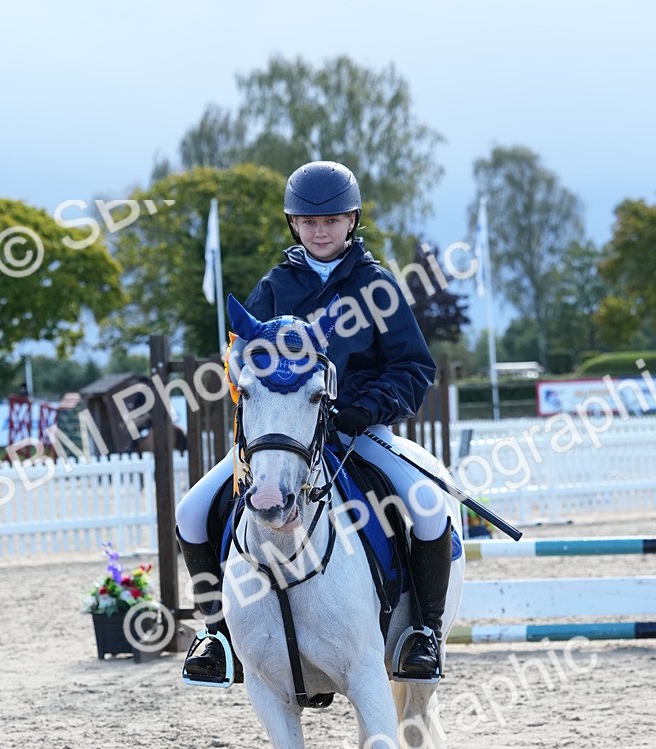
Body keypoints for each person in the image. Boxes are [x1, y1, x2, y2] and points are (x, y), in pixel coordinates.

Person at [176, 160, 453, 686]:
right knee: (193, 511)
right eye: (309, 221)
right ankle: (216, 635)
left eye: (331, 221)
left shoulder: (378, 287)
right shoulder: (275, 287)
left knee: (428, 507)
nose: (320, 230)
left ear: (352, 222)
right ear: (293, 224)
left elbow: (413, 367)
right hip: (282, 439)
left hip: (355, 432)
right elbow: (241, 361)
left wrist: (364, 407)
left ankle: (424, 632)